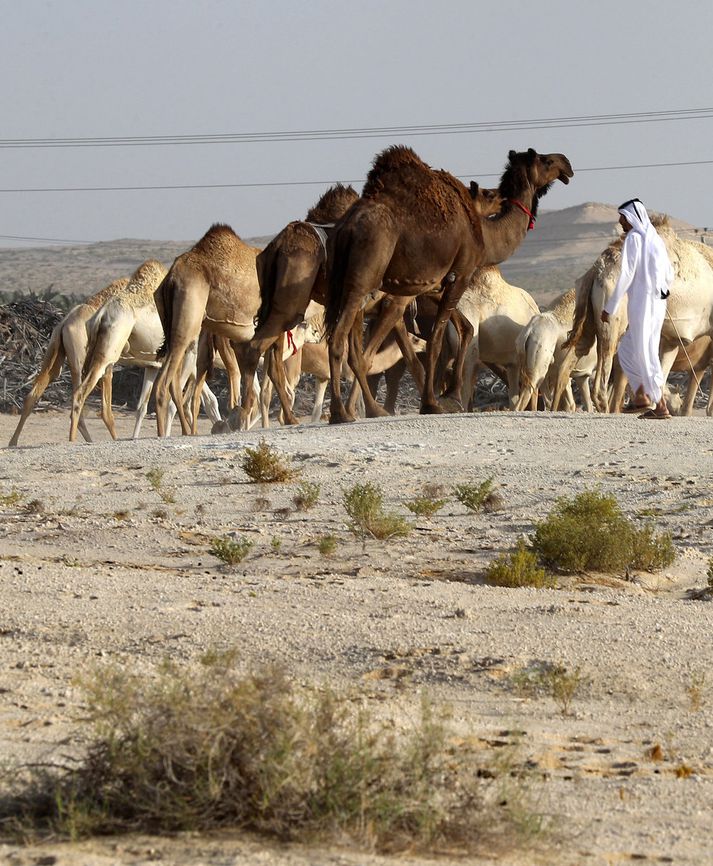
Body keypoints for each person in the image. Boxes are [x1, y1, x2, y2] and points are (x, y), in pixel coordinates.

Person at [600, 198, 674, 419]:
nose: (620, 221)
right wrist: (662, 292)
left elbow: (626, 275)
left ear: (632, 218)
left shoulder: (634, 238)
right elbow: (668, 272)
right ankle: (641, 396)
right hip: (655, 304)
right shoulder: (654, 239)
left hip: (644, 304)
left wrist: (610, 307)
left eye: (622, 217)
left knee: (645, 353)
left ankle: (660, 407)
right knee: (627, 350)